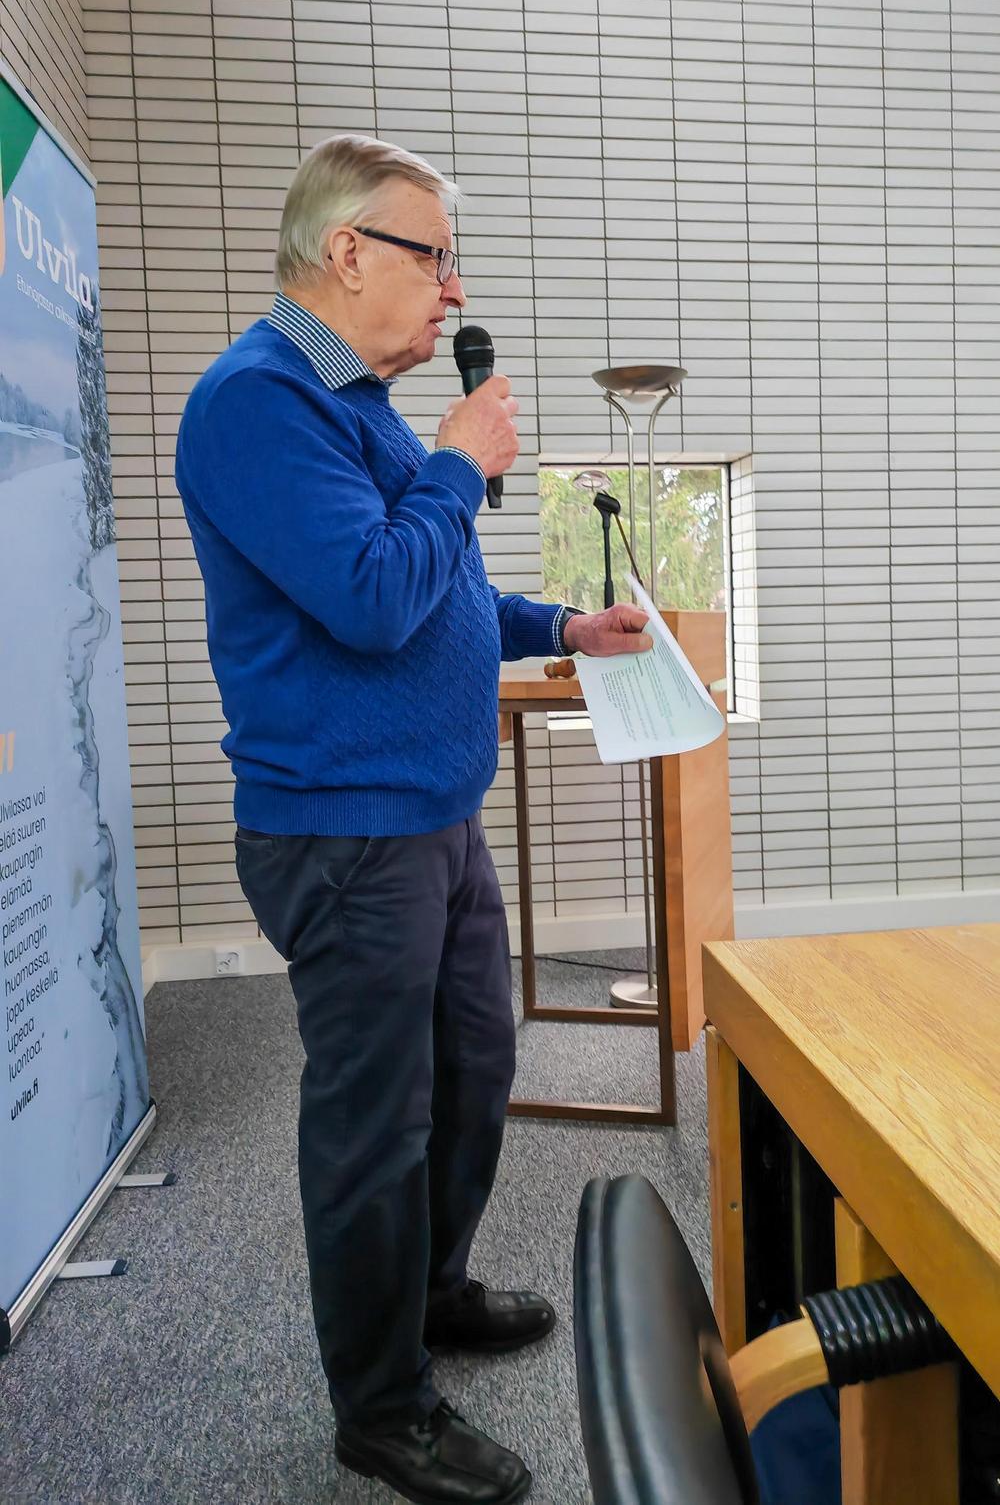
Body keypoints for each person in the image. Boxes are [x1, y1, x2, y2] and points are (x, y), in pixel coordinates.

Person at [175, 134, 651, 1505]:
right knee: (374, 1125)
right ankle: (382, 1411)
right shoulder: (258, 403)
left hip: (432, 818)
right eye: (434, 256)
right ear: (346, 253)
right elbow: (375, 597)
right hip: (344, 835)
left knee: (471, 1074)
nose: (454, 290)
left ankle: (431, 1292)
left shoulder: (362, 404)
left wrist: (560, 626)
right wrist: (456, 463)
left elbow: (438, 591)